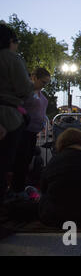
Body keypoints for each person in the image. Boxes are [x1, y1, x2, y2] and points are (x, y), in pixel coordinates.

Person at [0, 23, 34, 205]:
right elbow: (24, 89)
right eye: (16, 41)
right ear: (10, 41)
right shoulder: (11, 58)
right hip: (9, 116)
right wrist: (30, 84)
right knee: (8, 162)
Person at [11, 68, 51, 196]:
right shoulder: (25, 91)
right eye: (43, 82)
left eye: (46, 83)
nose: (44, 85)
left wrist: (44, 119)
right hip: (23, 130)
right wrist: (25, 115)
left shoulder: (39, 94)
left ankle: (19, 187)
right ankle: (16, 189)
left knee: (27, 160)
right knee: (20, 161)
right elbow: (16, 104)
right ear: (34, 78)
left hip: (32, 132)